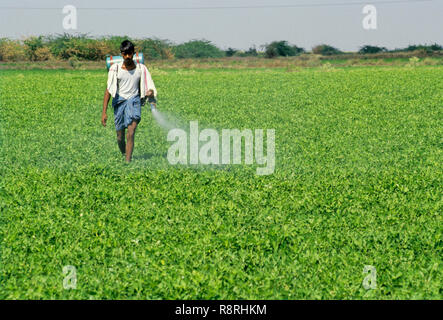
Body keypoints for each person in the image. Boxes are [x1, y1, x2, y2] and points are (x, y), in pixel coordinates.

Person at [101, 40, 157, 162]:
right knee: (120, 137)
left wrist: (150, 93)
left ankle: (128, 161)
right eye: (124, 54)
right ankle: (124, 154)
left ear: (133, 53)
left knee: (131, 132)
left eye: (129, 54)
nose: (127, 56)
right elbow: (108, 90)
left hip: (134, 101)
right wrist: (104, 112)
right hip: (119, 102)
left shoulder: (141, 69)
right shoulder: (115, 69)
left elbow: (149, 84)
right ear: (121, 54)